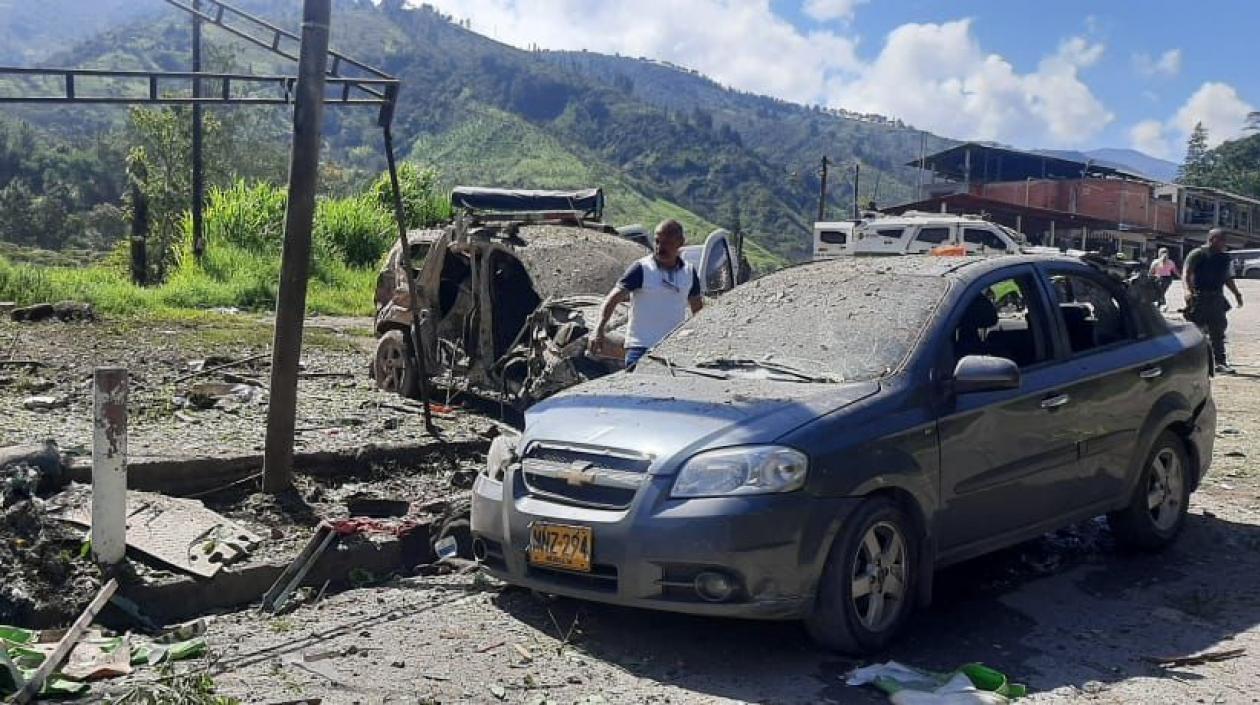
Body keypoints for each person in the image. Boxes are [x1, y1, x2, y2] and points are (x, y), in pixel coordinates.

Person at [591, 219, 703, 368]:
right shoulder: (641, 268)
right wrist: (598, 330)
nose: (660, 248)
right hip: (640, 348)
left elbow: (698, 312)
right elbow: (612, 299)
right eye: (657, 241)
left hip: (673, 350)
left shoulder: (689, 272)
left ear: (680, 242)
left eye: (667, 243)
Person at [1184, 229, 1244, 374]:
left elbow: (1227, 278)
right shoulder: (1198, 254)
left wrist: (1236, 294)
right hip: (1199, 297)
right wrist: (1188, 291)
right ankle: (1191, 361)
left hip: (1216, 298)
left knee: (1218, 330)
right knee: (1196, 330)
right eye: (1221, 240)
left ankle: (1220, 362)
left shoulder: (1224, 258)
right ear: (1212, 239)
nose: (1224, 243)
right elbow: (1187, 273)